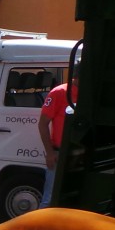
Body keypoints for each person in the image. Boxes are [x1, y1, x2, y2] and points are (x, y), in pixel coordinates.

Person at [37, 77, 78, 208]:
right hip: (59, 153)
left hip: (78, 154)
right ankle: (39, 227)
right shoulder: (59, 92)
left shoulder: (90, 94)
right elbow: (42, 124)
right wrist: (50, 153)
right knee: (50, 199)